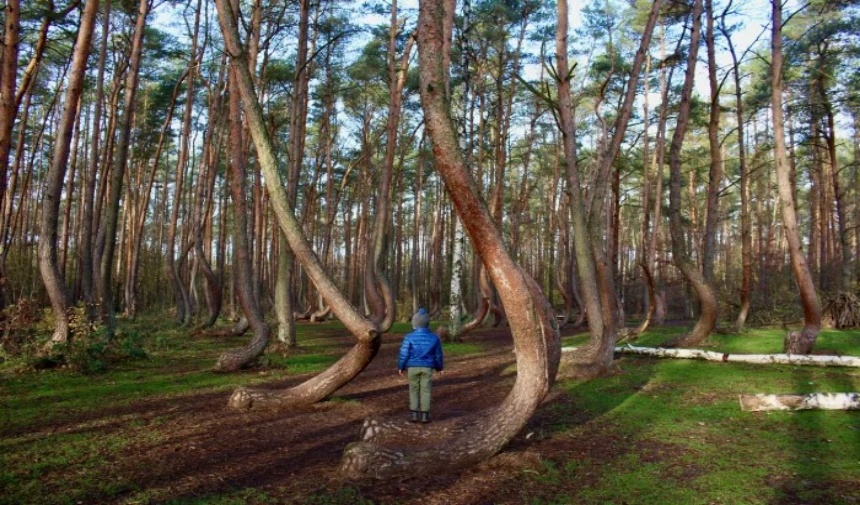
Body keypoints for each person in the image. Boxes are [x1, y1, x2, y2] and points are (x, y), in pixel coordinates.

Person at [398, 307, 444, 423]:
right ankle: (424, 416)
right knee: (426, 390)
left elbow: (404, 353)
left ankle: (414, 414)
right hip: (427, 368)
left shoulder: (409, 337)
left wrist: (401, 367)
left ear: (414, 324)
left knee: (413, 389)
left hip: (412, 367)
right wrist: (439, 367)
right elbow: (438, 355)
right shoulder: (434, 338)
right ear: (427, 324)